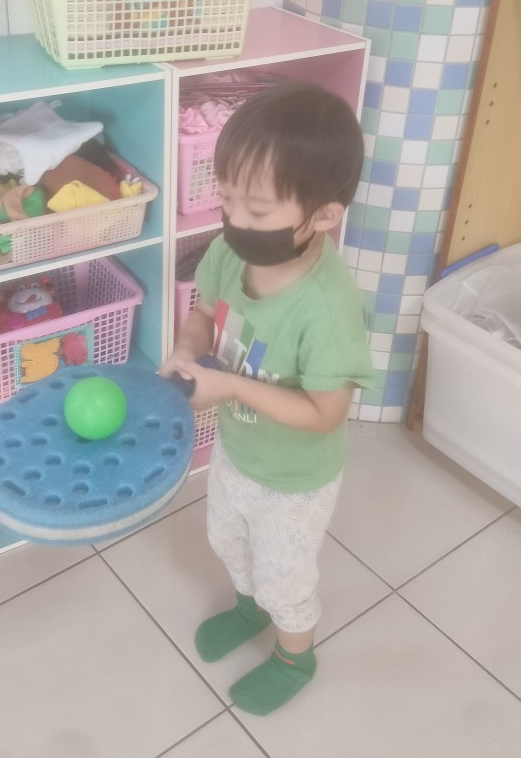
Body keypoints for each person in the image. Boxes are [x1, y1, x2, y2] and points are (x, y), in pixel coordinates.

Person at [160, 81, 377, 715]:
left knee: (286, 576)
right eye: (227, 200)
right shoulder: (230, 254)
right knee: (229, 540)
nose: (235, 222)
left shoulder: (327, 310)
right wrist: (185, 351)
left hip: (295, 480)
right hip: (239, 448)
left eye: (257, 210)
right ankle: (247, 607)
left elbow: (326, 413)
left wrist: (229, 384)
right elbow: (204, 314)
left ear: (323, 216)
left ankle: (294, 657)